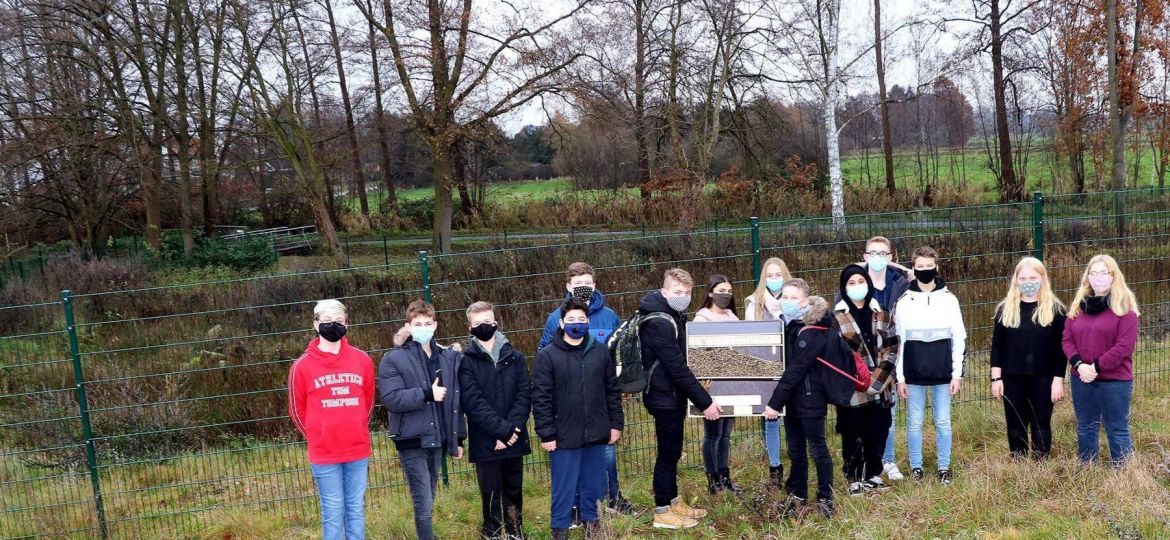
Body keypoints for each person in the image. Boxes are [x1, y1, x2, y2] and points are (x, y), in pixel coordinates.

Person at [537, 262, 634, 518]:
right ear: (568, 287)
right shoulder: (553, 318)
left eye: (587, 285)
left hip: (600, 402)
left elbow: (620, 352)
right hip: (568, 405)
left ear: (595, 285)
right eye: (577, 285)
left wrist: (620, 384)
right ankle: (577, 507)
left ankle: (612, 499)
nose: (583, 289)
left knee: (606, 455)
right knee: (572, 462)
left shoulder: (609, 316)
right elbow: (545, 356)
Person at [532, 298, 624, 540]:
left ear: (588, 322)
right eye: (571, 320)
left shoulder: (600, 351)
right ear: (561, 323)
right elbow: (541, 397)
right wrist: (547, 433)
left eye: (581, 320)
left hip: (596, 432)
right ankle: (559, 529)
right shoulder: (547, 356)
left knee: (594, 485)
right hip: (563, 436)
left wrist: (615, 424)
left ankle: (592, 526)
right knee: (564, 488)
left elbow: (612, 390)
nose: (577, 324)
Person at [640, 268, 721, 530]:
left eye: (687, 293)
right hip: (663, 397)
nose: (683, 297)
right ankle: (663, 511)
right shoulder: (659, 322)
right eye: (677, 292)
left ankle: (673, 501)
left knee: (672, 451)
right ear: (665, 292)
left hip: (671, 395)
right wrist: (705, 402)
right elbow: (677, 368)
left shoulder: (673, 315)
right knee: (667, 454)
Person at [288, 300, 375, 540]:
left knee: (355, 508)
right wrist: (317, 436)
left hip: (357, 449)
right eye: (326, 321)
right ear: (315, 324)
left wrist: (355, 428)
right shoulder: (301, 366)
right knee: (333, 511)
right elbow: (296, 410)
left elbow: (368, 402)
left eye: (338, 321)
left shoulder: (362, 360)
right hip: (324, 453)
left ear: (347, 324)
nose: (332, 326)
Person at [379, 300, 466, 540]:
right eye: (418, 324)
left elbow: (454, 401)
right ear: (408, 326)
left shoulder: (446, 358)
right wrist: (427, 394)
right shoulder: (394, 359)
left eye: (428, 323)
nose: (423, 327)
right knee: (423, 498)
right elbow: (392, 398)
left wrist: (457, 438)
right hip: (411, 438)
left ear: (435, 325)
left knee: (430, 492)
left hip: (437, 438)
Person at [763, 279, 837, 519]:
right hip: (793, 400)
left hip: (811, 398)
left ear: (806, 301)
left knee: (818, 449)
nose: (787, 301)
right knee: (795, 450)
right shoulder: (790, 325)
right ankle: (798, 495)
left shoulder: (813, 328)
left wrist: (774, 403)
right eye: (784, 297)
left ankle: (826, 498)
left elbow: (796, 368)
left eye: (793, 298)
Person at [459, 301, 532, 540]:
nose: (484, 327)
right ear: (469, 327)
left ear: (496, 323)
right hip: (486, 439)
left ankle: (515, 530)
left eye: (488, 322)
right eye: (478, 323)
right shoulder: (466, 362)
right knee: (490, 490)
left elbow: (524, 396)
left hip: (514, 437)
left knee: (513, 486)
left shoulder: (516, 357)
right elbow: (473, 402)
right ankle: (492, 532)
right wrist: (502, 432)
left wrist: (512, 431)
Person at [894, 246, 966, 485]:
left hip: (943, 373)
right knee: (914, 422)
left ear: (937, 266)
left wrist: (957, 374)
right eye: (920, 267)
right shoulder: (904, 302)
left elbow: (959, 337)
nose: (925, 270)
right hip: (913, 374)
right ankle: (917, 467)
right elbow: (899, 341)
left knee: (943, 421)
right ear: (913, 268)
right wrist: (900, 377)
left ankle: (944, 467)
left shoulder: (949, 299)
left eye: (929, 266)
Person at [1063, 254, 1140, 467]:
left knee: (1116, 427)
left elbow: (1124, 347)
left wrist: (1095, 367)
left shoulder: (1125, 310)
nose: (1098, 278)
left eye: (1103, 273)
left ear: (1113, 276)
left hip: (1115, 380)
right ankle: (1088, 469)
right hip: (1082, 379)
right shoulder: (1078, 307)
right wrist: (1079, 365)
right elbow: (1067, 340)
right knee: (1086, 425)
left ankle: (1123, 473)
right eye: (1093, 273)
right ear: (1087, 277)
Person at [990, 257, 1067, 460]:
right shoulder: (1004, 310)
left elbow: (1061, 350)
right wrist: (996, 379)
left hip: (1044, 377)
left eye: (1033, 277)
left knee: (1041, 421)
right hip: (1012, 378)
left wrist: (1058, 380)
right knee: (1015, 423)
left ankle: (1040, 464)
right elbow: (997, 347)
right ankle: (1019, 463)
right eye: (1023, 277)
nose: (1028, 282)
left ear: (1043, 278)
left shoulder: (1056, 311)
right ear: (1016, 280)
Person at [832, 265, 898, 496]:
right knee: (853, 433)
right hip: (852, 388)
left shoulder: (883, 312)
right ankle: (853, 477)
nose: (857, 286)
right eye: (851, 283)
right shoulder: (837, 318)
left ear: (868, 284)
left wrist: (877, 381)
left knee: (878, 430)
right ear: (844, 287)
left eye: (861, 281)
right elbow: (837, 358)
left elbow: (892, 348)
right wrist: (860, 379)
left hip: (881, 386)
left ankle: (873, 474)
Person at [858, 236, 911, 482]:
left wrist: (898, 268)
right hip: (862, 357)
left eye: (883, 253)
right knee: (863, 414)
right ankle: (864, 462)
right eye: (872, 253)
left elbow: (919, 275)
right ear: (865, 256)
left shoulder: (900, 282)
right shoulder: (855, 281)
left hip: (889, 354)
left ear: (890, 257)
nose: (877, 257)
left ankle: (887, 460)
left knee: (887, 413)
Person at [743, 256, 793, 489]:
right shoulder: (755, 302)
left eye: (778, 275)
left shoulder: (794, 298)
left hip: (793, 366)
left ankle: (797, 461)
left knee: (794, 417)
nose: (774, 280)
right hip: (767, 369)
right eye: (769, 276)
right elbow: (749, 338)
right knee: (771, 418)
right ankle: (775, 467)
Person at [693, 274, 740, 494]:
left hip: (732, 383)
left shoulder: (733, 317)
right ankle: (713, 482)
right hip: (711, 386)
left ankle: (725, 477)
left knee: (725, 434)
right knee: (713, 434)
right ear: (710, 292)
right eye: (721, 291)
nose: (726, 295)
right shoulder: (701, 319)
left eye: (729, 291)